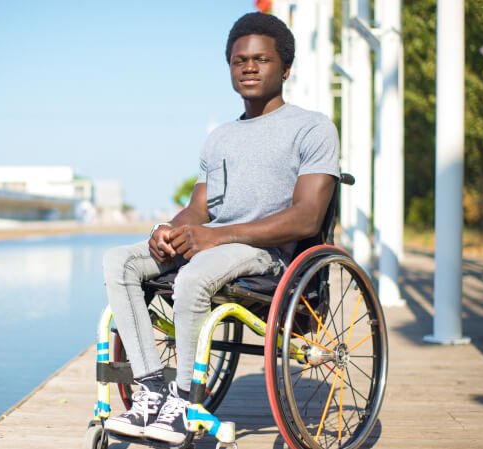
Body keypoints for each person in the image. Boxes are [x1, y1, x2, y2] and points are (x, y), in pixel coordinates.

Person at [102, 12, 340, 445]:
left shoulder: (312, 127)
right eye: (239, 60)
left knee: (196, 272)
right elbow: (199, 209)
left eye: (261, 59)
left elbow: (307, 217)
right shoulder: (220, 137)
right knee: (119, 261)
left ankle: (183, 401)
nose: (248, 67)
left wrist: (217, 236)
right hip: (216, 246)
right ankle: (152, 389)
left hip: (268, 252)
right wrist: (167, 230)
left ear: (285, 68)